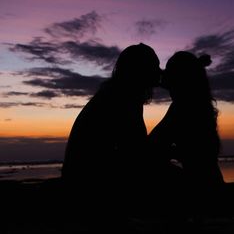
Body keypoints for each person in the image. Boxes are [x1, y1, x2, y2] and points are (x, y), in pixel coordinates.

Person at [61, 43, 161, 207]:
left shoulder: (116, 91)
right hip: (88, 182)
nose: (158, 72)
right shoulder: (124, 98)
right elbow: (136, 150)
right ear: (141, 70)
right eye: (154, 67)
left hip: (79, 175)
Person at [149, 51, 224, 215]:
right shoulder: (200, 105)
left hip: (200, 190)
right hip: (211, 184)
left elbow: (152, 145)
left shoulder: (182, 107)